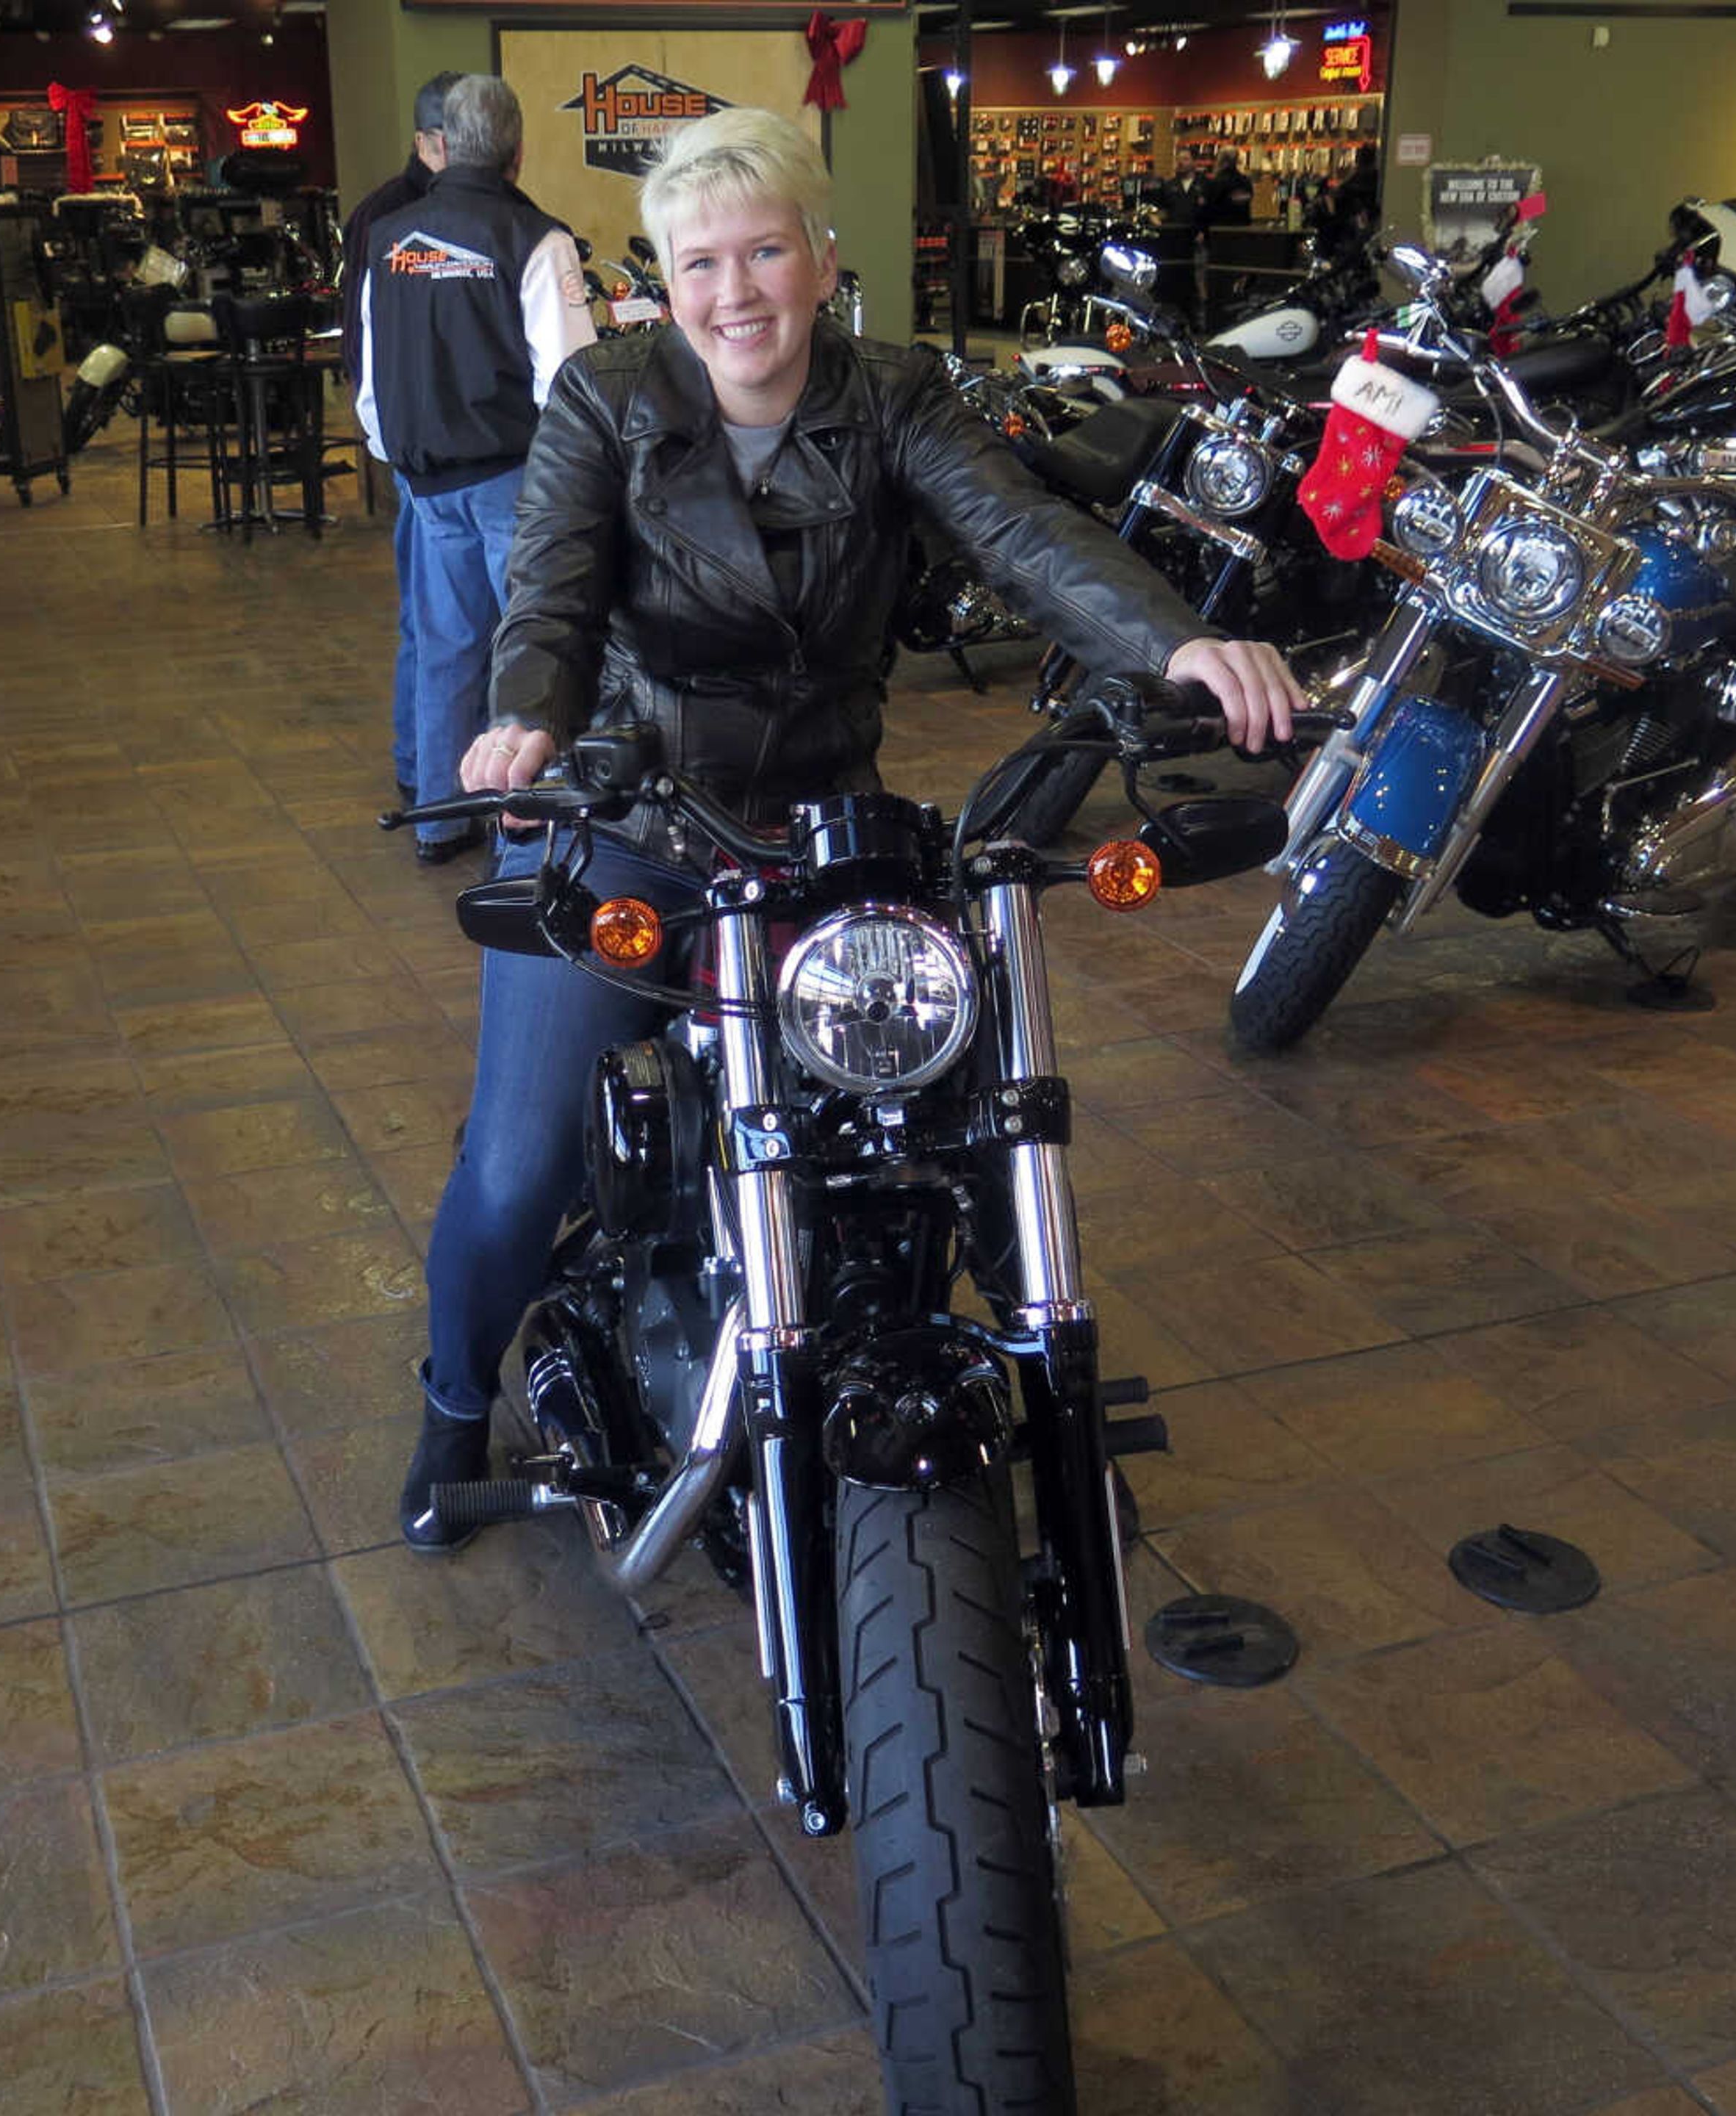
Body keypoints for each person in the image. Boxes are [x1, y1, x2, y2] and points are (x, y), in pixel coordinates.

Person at [394, 106, 1304, 1550]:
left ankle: (1042, 1390)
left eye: (765, 252)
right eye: (702, 263)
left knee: (960, 1106)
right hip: (629, 809)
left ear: (824, 261)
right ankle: (452, 1402)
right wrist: (528, 721)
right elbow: (553, 597)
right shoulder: (607, 399)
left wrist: (1173, 645)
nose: (736, 291)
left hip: (824, 825)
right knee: (521, 1166)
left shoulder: (897, 396)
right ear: (664, 279)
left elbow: (1021, 536)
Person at [354, 75, 595, 863]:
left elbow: (368, 379)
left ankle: (439, 820)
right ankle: (530, 830)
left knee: (445, 648)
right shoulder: (537, 239)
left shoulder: (387, 240)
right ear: (518, 153)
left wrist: (400, 461)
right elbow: (571, 384)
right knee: (536, 654)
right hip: (514, 482)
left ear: (444, 146)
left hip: (424, 484)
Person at [342, 71, 459, 810]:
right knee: (432, 622)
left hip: (449, 445)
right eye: (455, 138)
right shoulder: (387, 216)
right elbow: (364, 341)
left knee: (442, 621)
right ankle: (420, 769)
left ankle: (430, 769)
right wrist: (388, 441)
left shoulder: (477, 211)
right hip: (424, 450)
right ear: (425, 140)